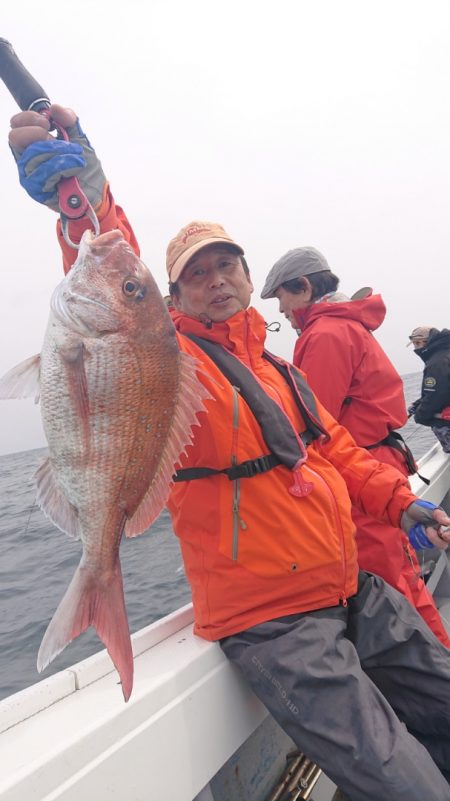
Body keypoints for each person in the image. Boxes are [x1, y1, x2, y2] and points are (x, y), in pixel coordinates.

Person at [8, 105, 450, 801]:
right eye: (195, 273)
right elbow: (111, 271)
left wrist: (403, 500)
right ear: (173, 295)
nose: (216, 279)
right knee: (410, 787)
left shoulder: (282, 368)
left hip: (347, 586)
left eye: (228, 264)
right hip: (276, 621)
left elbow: (337, 450)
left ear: (249, 277)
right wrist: (83, 200)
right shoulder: (173, 358)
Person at [261, 248, 450, 646]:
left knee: (389, 585)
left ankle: (434, 684)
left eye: (281, 297)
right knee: (404, 575)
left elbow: (316, 424)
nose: (281, 310)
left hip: (362, 470)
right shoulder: (346, 326)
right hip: (381, 462)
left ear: (304, 287)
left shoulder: (325, 334)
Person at [408, 326, 450, 453]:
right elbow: (442, 387)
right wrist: (419, 403)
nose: (416, 348)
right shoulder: (445, 354)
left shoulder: (436, 363)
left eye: (416, 343)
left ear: (424, 342)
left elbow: (435, 396)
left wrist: (420, 415)